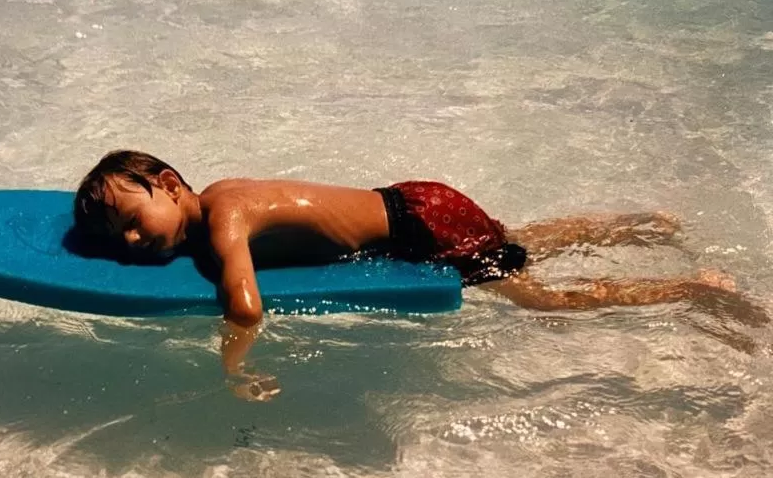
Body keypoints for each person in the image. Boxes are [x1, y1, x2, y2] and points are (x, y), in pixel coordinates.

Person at [73, 150, 753, 400]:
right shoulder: (222, 193)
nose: (131, 244)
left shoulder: (224, 219)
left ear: (169, 184)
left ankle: (695, 287)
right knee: (513, 241)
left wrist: (234, 369)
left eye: (134, 222)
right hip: (412, 200)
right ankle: (643, 223)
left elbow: (245, 304)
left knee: (544, 301)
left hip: (424, 231)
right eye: (117, 240)